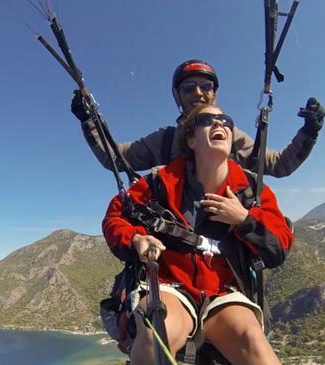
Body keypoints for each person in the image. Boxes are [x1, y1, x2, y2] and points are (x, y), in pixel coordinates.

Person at [102, 103, 293, 365]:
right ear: (190, 139)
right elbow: (116, 216)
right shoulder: (161, 184)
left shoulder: (250, 191)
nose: (219, 125)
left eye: (225, 121)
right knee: (156, 332)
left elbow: (279, 244)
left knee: (252, 339)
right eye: (207, 121)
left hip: (223, 292)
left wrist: (244, 220)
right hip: (172, 286)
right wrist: (136, 239)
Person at [72, 59, 325, 176]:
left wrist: (309, 133)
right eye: (188, 87)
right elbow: (115, 159)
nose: (197, 92)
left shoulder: (229, 137)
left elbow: (277, 164)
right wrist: (89, 120)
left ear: (214, 94)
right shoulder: (164, 141)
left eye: (205, 86)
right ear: (177, 96)